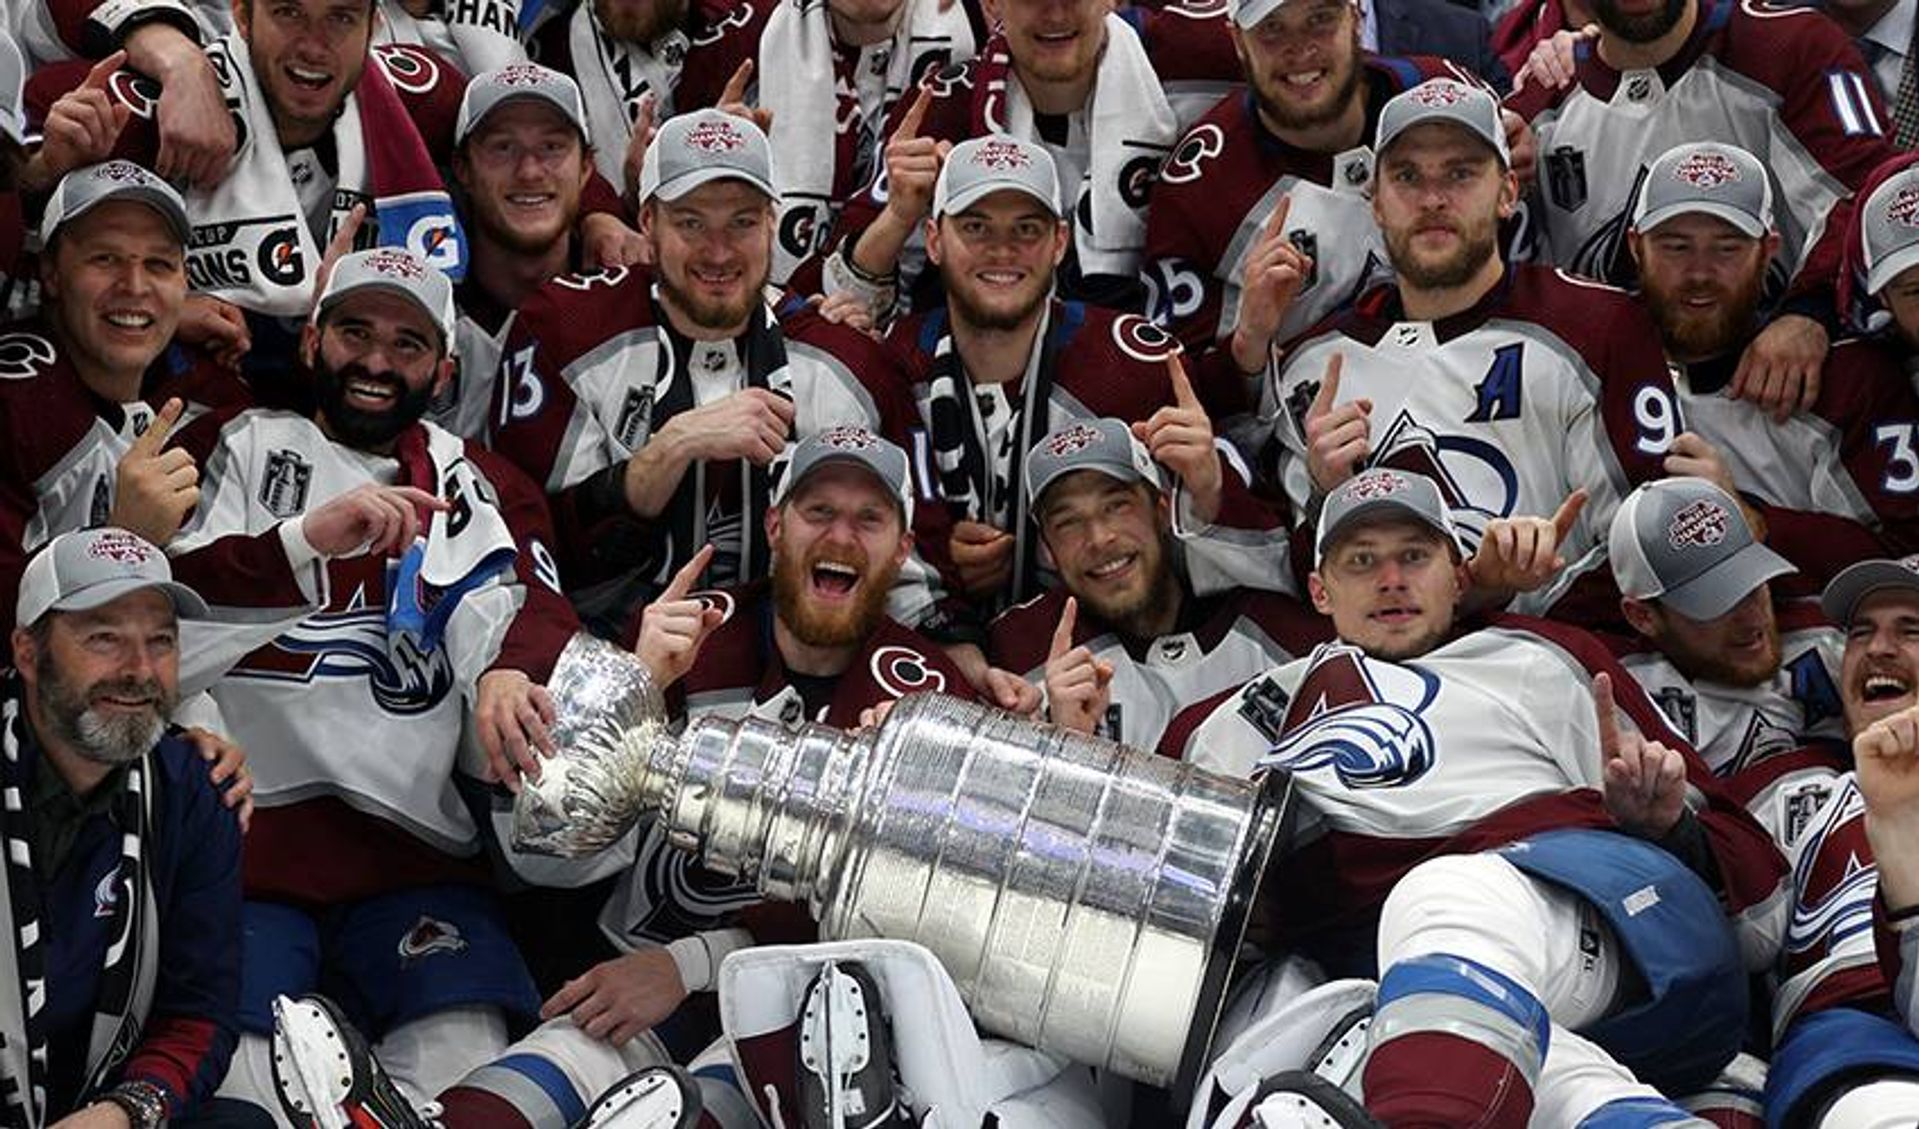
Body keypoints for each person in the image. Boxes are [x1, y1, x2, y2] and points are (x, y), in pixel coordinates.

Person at [1183, 467, 1786, 1124]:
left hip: (1632, 940)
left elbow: (1762, 915)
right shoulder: (1242, 721)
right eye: (1361, 561)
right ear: (1319, 590)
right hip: (1437, 996)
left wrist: (1670, 829)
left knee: (1444, 902)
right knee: (1340, 1041)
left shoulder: (1541, 655)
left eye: (1414, 555)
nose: (1391, 579)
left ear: (1458, 576)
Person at [167, 247, 587, 1114]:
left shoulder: (478, 480)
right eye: (355, 331)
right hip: (253, 858)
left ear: (443, 369)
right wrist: (304, 545)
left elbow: (540, 609)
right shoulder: (236, 443)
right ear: (313, 339)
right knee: (242, 1083)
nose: (375, 361)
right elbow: (163, 608)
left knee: (470, 1064)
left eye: (406, 343)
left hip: (415, 862)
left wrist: (511, 667)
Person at [489, 109, 965, 647]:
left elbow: (909, 568)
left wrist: (960, 656)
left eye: (741, 221)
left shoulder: (847, 362)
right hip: (603, 665)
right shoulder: (564, 331)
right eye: (691, 222)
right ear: (648, 222)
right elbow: (531, 549)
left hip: (790, 681)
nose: (718, 251)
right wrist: (667, 452)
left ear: (771, 220)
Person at [573, 427, 983, 1047]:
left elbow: (909, 932)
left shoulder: (932, 701)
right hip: (621, 968)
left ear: (902, 551)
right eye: (818, 511)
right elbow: (546, 853)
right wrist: (636, 687)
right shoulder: (687, 634)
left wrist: (689, 966)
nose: (840, 536)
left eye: (868, 519)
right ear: (773, 527)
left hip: (800, 1019)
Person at [1266, 77, 1681, 619]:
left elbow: (1655, 549)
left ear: (1508, 191)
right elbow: (1308, 591)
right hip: (1379, 681)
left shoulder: (1597, 327)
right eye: (1407, 176)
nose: (1433, 199)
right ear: (1375, 203)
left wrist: (1507, 600)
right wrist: (1325, 497)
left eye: (1461, 173)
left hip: (1551, 663)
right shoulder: (1315, 363)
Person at [883, 133, 1276, 610]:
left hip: (1099, 651)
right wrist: (937, 557)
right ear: (933, 241)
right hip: (940, 644)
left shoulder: (1131, 363)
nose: (1002, 250)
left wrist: (1208, 488)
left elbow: (1246, 543)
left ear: (1060, 243)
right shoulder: (896, 361)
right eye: (975, 227)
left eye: (1027, 229)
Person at [1506, 0, 1903, 419]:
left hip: (1782, 405)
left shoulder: (1792, 48)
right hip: (1603, 412)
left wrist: (1811, 313)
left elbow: (1877, 200)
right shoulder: (1542, 97)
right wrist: (1498, 173)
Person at [0, 527, 244, 1129]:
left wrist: (125, 1113)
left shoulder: (193, 790)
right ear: (28, 654)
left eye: (160, 641)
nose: (139, 670)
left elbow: (200, 1014)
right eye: (104, 638)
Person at [1142, 0, 1482, 400]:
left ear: (1355, 20)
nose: (1300, 48)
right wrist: (1248, 344)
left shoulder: (1444, 94)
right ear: (1237, 41)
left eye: (1320, 19)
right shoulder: (1199, 188)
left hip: (1476, 388)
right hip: (1307, 435)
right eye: (1271, 28)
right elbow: (1187, 400)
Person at [1626, 141, 1919, 587]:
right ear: (1635, 247)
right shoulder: (1594, 362)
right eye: (1675, 247)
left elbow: (1907, 555)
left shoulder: (1848, 379)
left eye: (1727, 249)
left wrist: (1752, 523)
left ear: (1769, 251)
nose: (1700, 272)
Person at [0, 161, 247, 656]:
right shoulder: (16, 402)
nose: (134, 285)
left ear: (185, 283)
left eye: (158, 264)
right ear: (50, 271)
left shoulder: (208, 392)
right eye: (105, 259)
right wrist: (123, 540)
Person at [804, 0, 1184, 314]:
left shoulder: (1184, 80)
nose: (1054, 14)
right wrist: (899, 216)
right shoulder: (943, 103)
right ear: (991, 3)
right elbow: (844, 303)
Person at [989, 417, 1330, 755]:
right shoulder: (1023, 656)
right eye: (1068, 523)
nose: (1098, 538)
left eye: (1117, 506)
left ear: (1163, 510)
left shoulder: (1280, 626)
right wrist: (1061, 750)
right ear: (1048, 550)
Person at [674, 0, 980, 284]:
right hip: (769, 304)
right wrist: (709, 165)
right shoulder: (734, 42)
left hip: (932, 312)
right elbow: (666, 215)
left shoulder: (979, 28)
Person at [438, 62, 599, 439]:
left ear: (586, 168)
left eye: (552, 147)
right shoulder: (426, 303)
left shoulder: (629, 303)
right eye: (503, 147)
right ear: (463, 169)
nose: (529, 171)